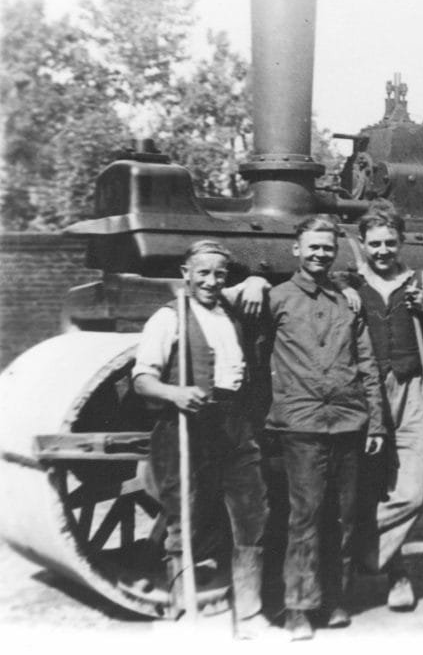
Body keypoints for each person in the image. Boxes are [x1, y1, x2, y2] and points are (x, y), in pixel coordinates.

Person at [132, 240, 271, 639]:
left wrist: (258, 278)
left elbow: (249, 289)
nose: (211, 281)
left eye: (219, 274)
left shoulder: (229, 311)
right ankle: (184, 611)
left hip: (235, 425)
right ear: (186, 273)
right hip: (187, 425)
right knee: (186, 517)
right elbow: (142, 380)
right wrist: (174, 393)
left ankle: (248, 612)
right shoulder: (168, 317)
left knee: (251, 516)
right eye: (203, 273)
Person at [266, 216, 386, 640]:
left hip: (349, 422)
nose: (320, 254)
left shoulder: (347, 302)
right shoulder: (275, 299)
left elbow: (367, 362)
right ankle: (298, 605)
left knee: (345, 515)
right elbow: (256, 356)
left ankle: (335, 597)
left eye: (327, 248)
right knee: (306, 515)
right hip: (300, 426)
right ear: (296, 249)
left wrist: (376, 422)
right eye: (312, 247)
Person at [352, 201, 423, 612]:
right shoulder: (349, 286)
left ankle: (351, 551)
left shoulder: (422, 282)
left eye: (390, 242)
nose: (382, 250)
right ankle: (396, 574)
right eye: (374, 243)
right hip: (364, 394)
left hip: (413, 391)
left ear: (402, 242)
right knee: (368, 489)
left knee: (411, 493)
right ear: (362, 244)